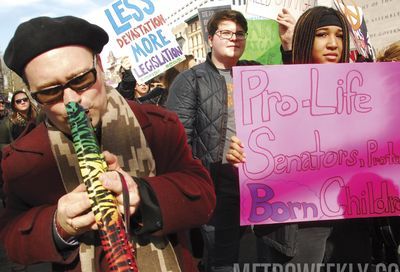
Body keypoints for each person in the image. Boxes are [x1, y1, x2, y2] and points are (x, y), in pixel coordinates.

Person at [0, 15, 215, 272]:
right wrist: (58, 226)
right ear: (33, 93)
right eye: (49, 92)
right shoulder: (22, 158)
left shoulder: (159, 126)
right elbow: (12, 240)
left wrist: (143, 196)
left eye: (80, 80)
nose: (71, 102)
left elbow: (204, 197)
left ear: (99, 66)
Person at [226, 6, 373, 270]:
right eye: (322, 34)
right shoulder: (275, 92)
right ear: (306, 39)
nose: (332, 44)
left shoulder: (364, 91)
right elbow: (262, 149)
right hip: (298, 226)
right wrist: (243, 154)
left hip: (353, 222)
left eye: (340, 36)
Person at [167, 9, 258, 272]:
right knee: (223, 258)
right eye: (226, 33)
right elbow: (178, 141)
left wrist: (287, 46)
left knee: (264, 251)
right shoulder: (190, 80)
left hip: (260, 180)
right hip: (218, 183)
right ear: (210, 39)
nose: (234, 38)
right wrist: (210, 167)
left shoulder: (258, 73)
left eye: (240, 33)